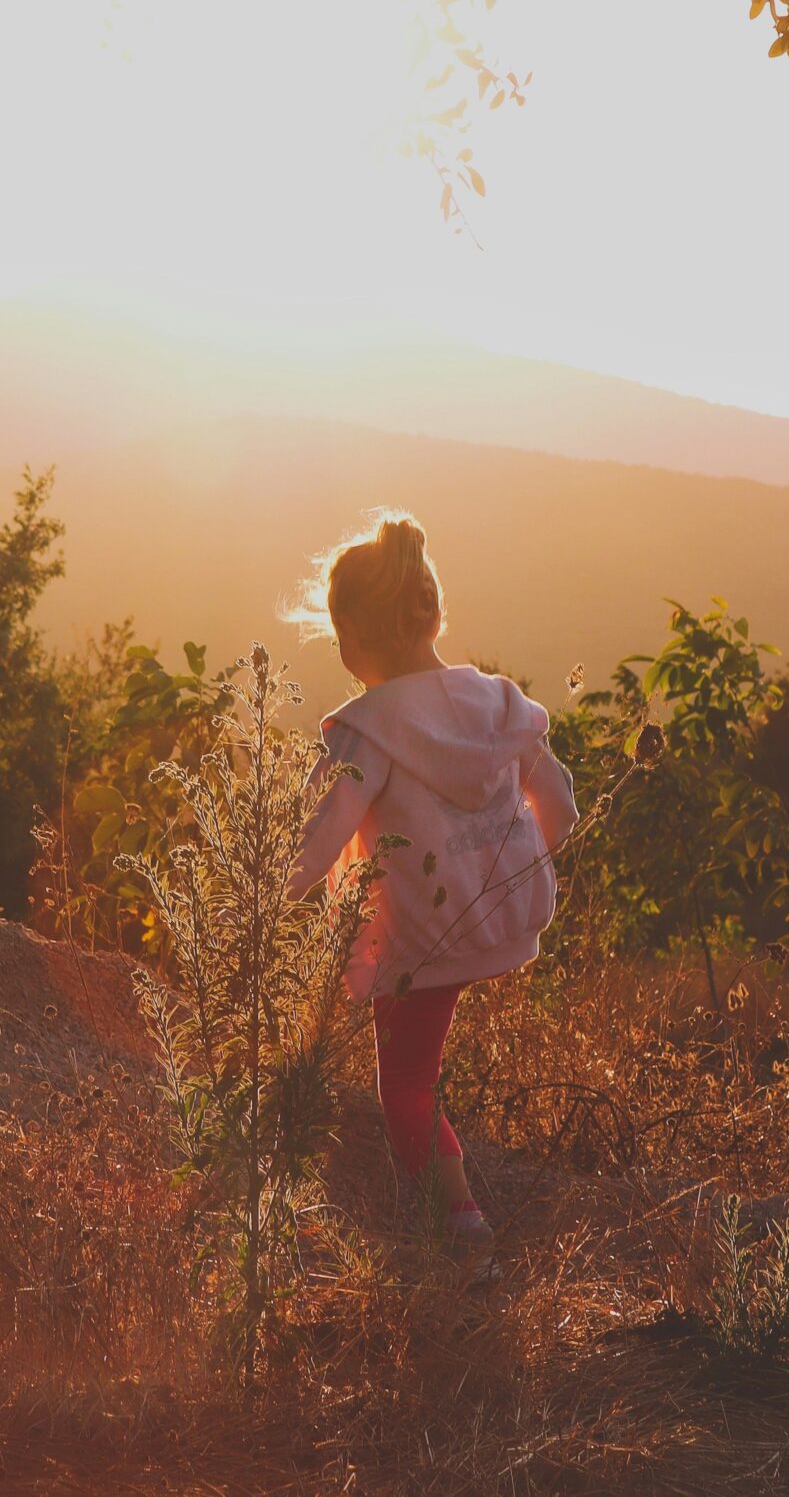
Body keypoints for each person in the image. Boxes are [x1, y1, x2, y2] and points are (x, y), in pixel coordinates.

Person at [290, 511, 578, 1250]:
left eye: (339, 637)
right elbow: (561, 804)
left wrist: (262, 897)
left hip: (419, 943)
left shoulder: (370, 727)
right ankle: (444, 1209)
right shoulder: (499, 705)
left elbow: (319, 834)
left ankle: (459, 1226)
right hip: (501, 925)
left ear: (357, 632)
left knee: (405, 1084)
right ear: (431, 611)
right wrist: (508, 873)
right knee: (422, 1070)